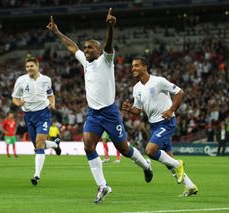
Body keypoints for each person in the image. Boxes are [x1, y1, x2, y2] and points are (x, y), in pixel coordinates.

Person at [47, 8, 152, 204]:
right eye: (85, 48)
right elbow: (71, 47)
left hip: (110, 112)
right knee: (88, 146)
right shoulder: (86, 63)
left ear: (98, 50)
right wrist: (57, 32)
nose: (85, 50)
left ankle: (146, 166)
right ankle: (103, 185)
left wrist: (110, 28)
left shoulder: (106, 60)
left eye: (89, 48)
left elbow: (109, 45)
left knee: (124, 149)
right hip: (93, 113)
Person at [122, 56, 198, 197]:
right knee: (168, 160)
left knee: (150, 151)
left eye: (137, 65)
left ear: (145, 67)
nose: (133, 68)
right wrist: (130, 109)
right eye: (132, 66)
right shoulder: (136, 88)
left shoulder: (158, 81)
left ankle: (178, 164)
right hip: (154, 125)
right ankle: (190, 186)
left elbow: (179, 92)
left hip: (166, 122)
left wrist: (171, 110)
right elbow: (138, 110)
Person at [12, 55, 61, 186]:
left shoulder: (46, 80)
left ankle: (37, 175)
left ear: (37, 66)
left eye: (31, 66)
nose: (29, 68)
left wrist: (52, 103)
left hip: (43, 114)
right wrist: (18, 103)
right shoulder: (21, 80)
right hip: (28, 115)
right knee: (38, 145)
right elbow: (15, 98)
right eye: (27, 66)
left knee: (39, 143)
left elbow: (50, 94)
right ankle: (55, 144)